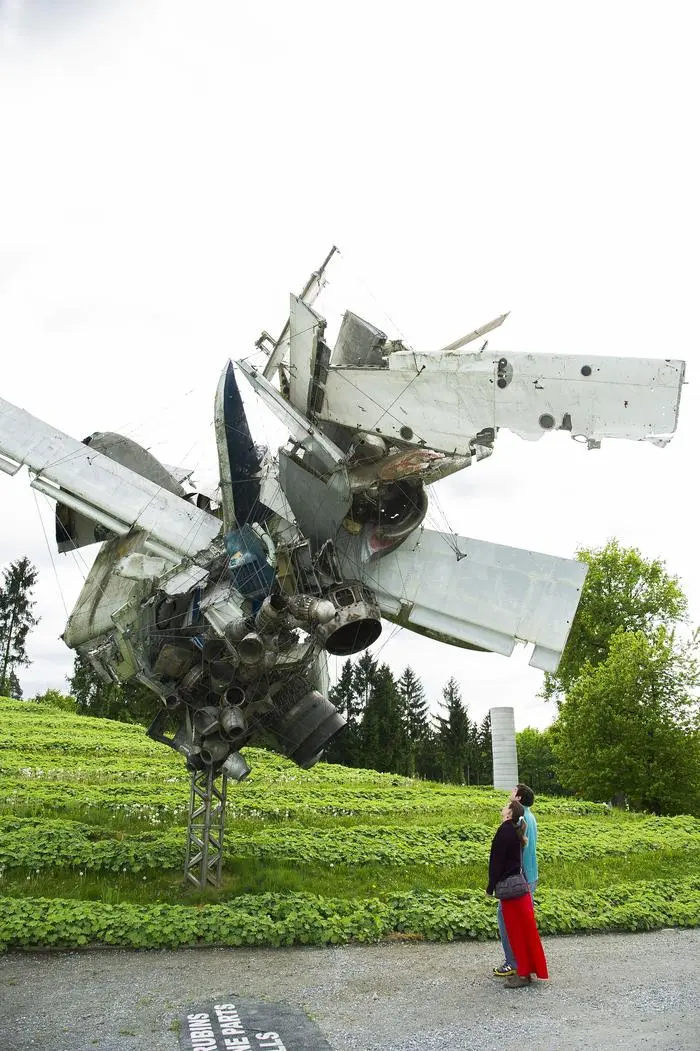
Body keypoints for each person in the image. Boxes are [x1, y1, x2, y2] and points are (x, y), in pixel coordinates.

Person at [486, 798, 548, 989]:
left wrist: (490, 887)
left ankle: (522, 974)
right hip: (521, 888)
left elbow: (496, 862)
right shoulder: (515, 829)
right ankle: (527, 970)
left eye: (506, 805)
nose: (503, 807)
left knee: (515, 932)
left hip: (511, 891)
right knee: (526, 931)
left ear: (510, 813)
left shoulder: (504, 830)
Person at [493, 783, 538, 978]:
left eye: (513, 792)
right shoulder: (531, 817)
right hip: (529, 875)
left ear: (518, 798)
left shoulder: (520, 820)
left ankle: (513, 962)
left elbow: (515, 852)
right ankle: (524, 961)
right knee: (521, 920)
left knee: (507, 918)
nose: (510, 794)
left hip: (520, 877)